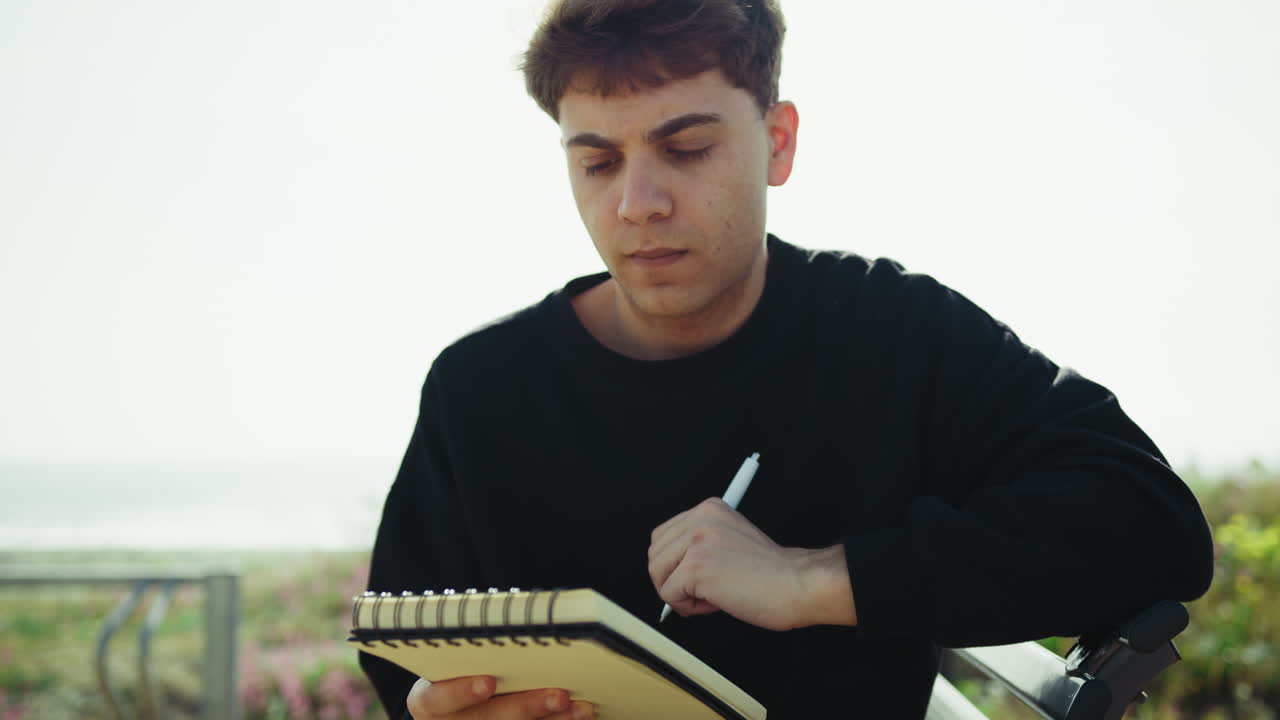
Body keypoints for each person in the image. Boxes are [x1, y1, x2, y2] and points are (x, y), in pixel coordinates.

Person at [359, 1, 1215, 718]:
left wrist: (809, 581)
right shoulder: (480, 389)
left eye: (686, 149)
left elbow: (1150, 527)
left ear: (778, 143)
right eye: (597, 161)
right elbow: (404, 653)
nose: (637, 204)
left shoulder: (892, 334)